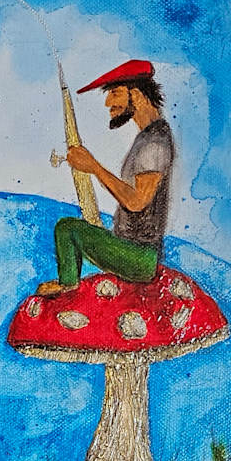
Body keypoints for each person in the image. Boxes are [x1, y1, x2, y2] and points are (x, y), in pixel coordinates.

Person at [37, 57, 174, 296]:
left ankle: (68, 284)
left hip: (139, 257)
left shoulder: (154, 142)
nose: (108, 102)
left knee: (67, 229)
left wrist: (93, 167)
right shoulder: (148, 137)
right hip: (133, 250)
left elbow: (137, 201)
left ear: (137, 94)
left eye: (115, 93)